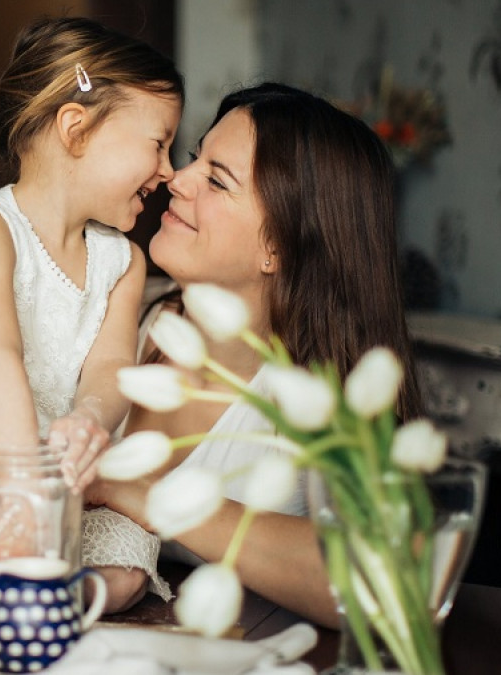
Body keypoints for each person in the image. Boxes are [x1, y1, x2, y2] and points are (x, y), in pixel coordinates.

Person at [86, 82, 424, 628]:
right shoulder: (119, 311)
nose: (177, 176)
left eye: (217, 179)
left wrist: (156, 497)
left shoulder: (322, 398)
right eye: (196, 157)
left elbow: (386, 583)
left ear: (278, 248)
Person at [0, 16, 183, 613]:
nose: (169, 171)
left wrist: (91, 420)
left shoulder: (123, 260)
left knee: (129, 559)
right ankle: (17, 592)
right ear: (76, 128)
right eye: (159, 144)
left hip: (53, 491)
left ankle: (46, 599)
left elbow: (110, 370)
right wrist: (19, 497)